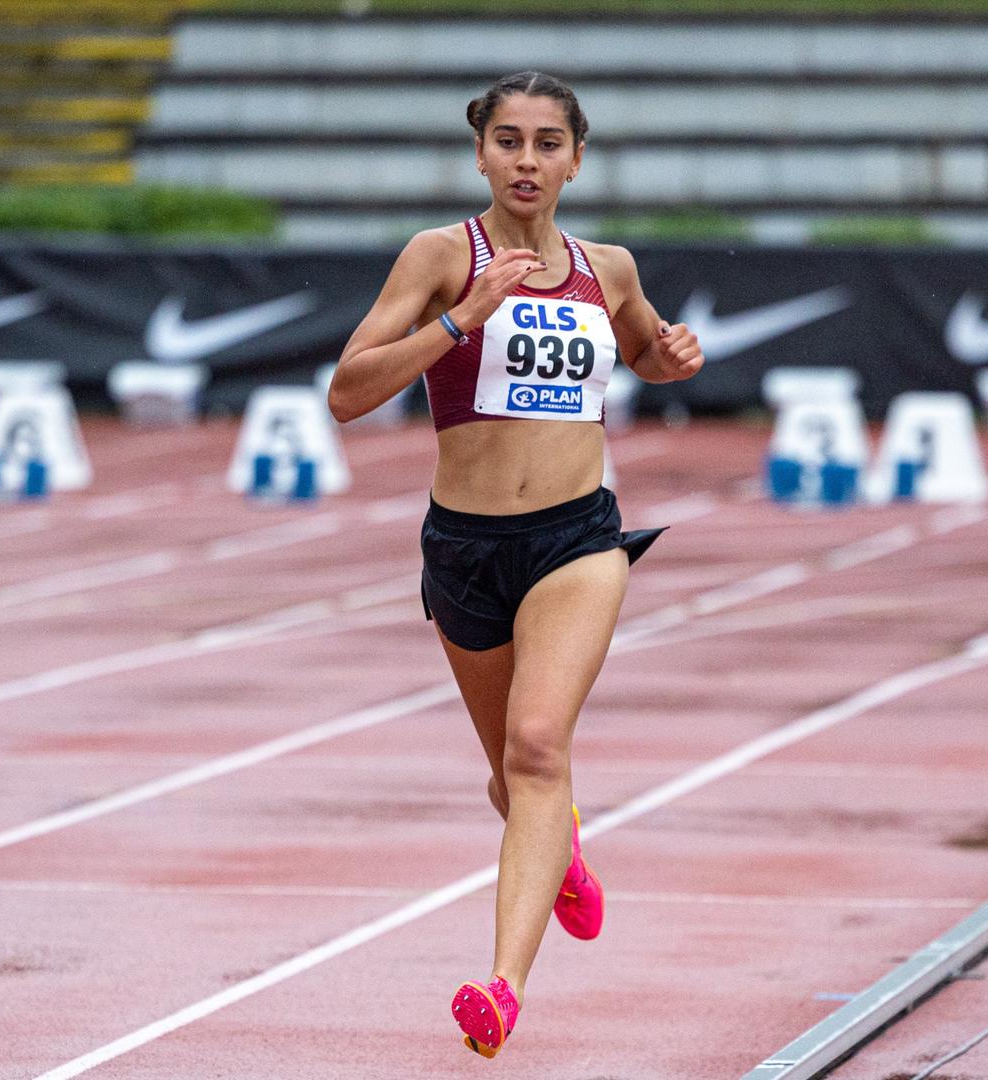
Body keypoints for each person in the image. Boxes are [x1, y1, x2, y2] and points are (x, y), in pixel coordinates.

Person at [326, 71, 705, 1058]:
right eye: (508, 141)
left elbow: (647, 352)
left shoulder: (607, 267)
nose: (527, 161)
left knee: (538, 747)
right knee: (511, 779)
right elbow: (346, 392)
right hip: (466, 546)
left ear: (576, 159)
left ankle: (502, 988)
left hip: (577, 538)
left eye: (547, 143)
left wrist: (673, 354)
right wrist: (460, 319)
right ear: (482, 153)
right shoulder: (443, 256)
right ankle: (564, 847)